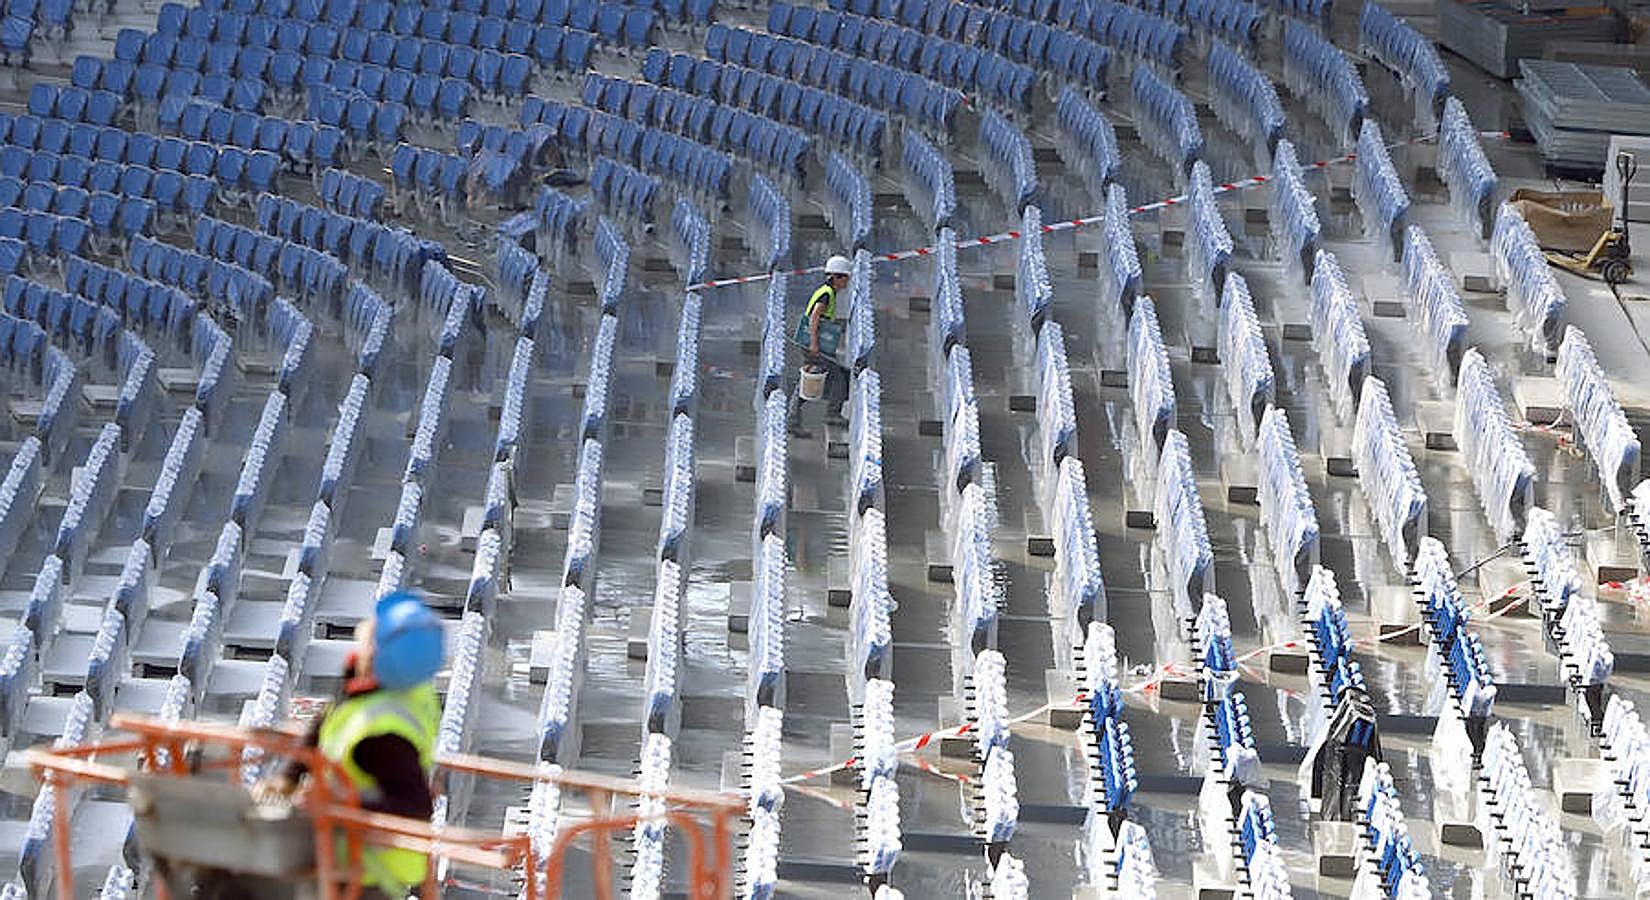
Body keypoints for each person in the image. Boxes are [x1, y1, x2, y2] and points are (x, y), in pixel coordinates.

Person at [275, 591, 445, 900]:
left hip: (366, 870)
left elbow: (415, 808)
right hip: (339, 855)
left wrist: (336, 806)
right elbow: (326, 721)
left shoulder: (383, 735)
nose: (360, 645)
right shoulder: (390, 688)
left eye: (368, 641)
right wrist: (289, 775)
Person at [791, 254, 853, 437]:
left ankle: (792, 420)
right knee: (838, 377)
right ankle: (832, 414)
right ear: (837, 278)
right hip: (813, 344)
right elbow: (815, 317)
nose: (847, 282)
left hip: (813, 343)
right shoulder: (826, 294)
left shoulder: (828, 292)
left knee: (809, 380)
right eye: (845, 278)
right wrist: (814, 344)